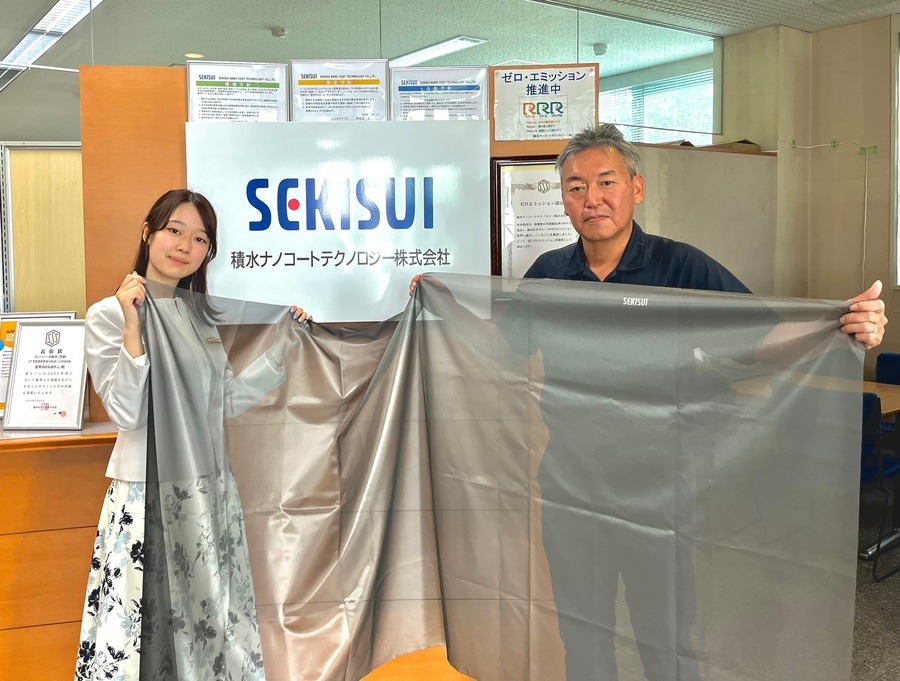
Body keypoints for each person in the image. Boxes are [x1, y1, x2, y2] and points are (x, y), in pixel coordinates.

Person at [409, 124, 887, 680]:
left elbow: (761, 337)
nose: (592, 198)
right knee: (583, 634)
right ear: (563, 200)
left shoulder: (680, 268)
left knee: (665, 636)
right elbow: (504, 350)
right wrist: (442, 311)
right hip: (572, 488)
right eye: (575, 187)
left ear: (636, 188)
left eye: (606, 182)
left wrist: (845, 325)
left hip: (661, 490)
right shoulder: (549, 275)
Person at [75, 189, 310, 681]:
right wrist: (134, 328)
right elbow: (125, 413)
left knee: (209, 619)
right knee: (147, 621)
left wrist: (283, 349)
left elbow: (224, 403)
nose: (185, 245)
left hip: (209, 488)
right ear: (148, 233)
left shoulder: (198, 316)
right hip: (148, 492)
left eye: (200, 238)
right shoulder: (108, 314)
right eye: (174, 230)